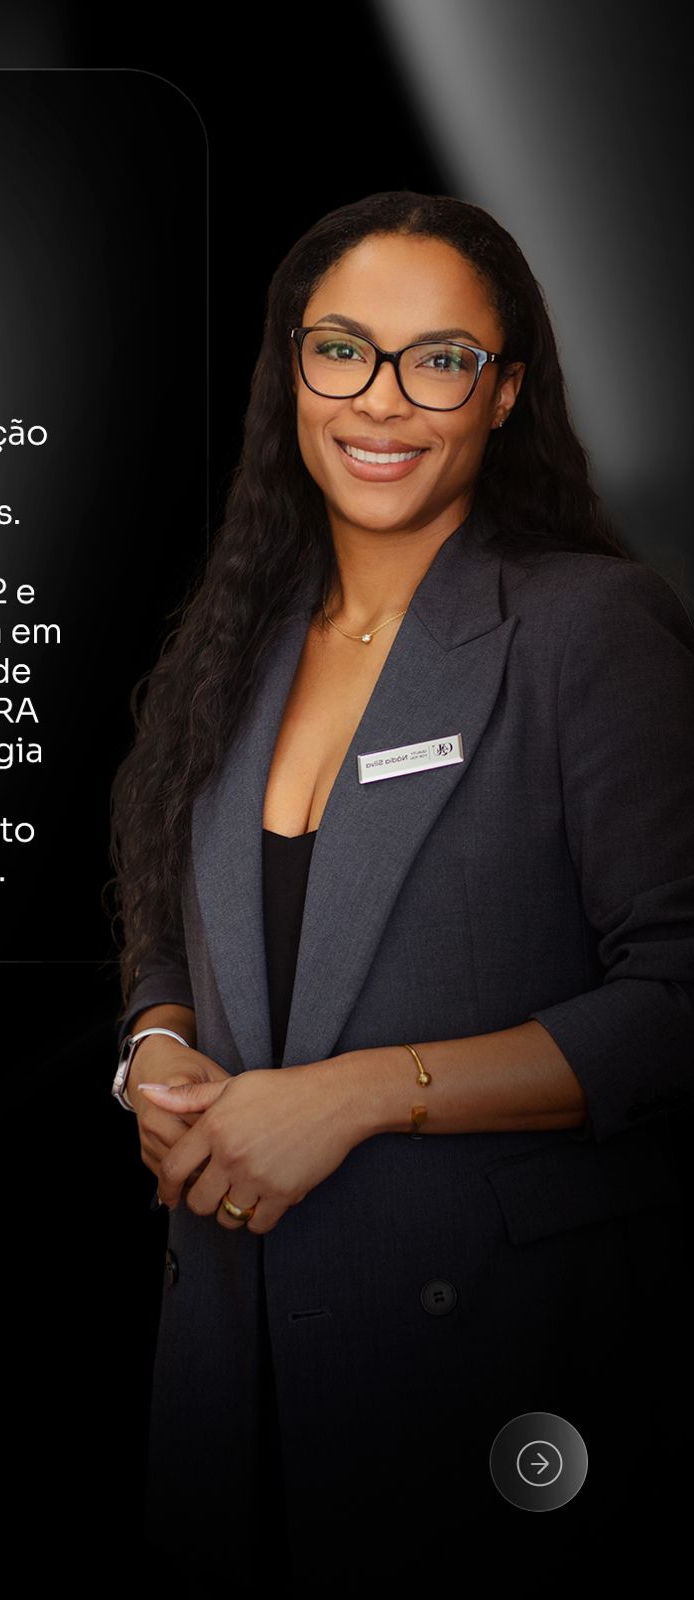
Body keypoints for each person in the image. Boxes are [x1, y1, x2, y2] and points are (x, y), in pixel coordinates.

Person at [107, 191, 694, 1591]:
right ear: (292, 372)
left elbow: (682, 995)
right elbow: (163, 928)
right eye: (344, 350)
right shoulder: (233, 649)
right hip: (232, 1357)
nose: (384, 399)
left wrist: (362, 1093)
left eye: (440, 359)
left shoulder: (582, 630)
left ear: (504, 395)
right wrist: (157, 1043)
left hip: (497, 1371)